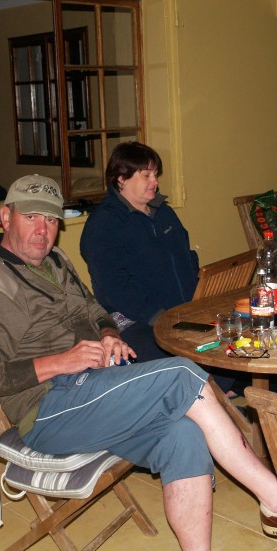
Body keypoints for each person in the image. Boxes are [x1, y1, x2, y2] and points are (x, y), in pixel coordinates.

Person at [0, 174, 277, 549]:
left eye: (50, 219)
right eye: (31, 217)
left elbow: (93, 308)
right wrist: (61, 361)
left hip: (94, 388)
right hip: (48, 408)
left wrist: (108, 333)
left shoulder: (55, 261)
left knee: (183, 435)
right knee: (183, 373)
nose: (42, 230)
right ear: (5, 217)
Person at [79, 142, 233, 392]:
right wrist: (160, 318)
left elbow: (186, 260)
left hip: (180, 314)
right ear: (121, 179)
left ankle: (228, 399)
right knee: (195, 368)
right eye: (146, 175)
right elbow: (114, 286)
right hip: (136, 321)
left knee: (235, 348)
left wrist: (198, 305)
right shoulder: (104, 225)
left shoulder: (163, 213)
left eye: (156, 174)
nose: (155, 181)